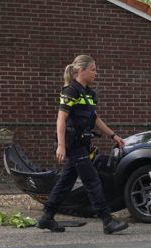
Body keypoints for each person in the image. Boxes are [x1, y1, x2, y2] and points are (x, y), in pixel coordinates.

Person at [37, 55, 129, 234]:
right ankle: (107, 220)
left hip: (82, 143)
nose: (96, 72)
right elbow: (61, 119)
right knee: (92, 180)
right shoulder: (70, 91)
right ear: (81, 71)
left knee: (66, 181)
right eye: (93, 69)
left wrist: (113, 135)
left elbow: (95, 119)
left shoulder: (90, 94)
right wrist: (61, 145)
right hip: (73, 145)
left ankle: (46, 217)